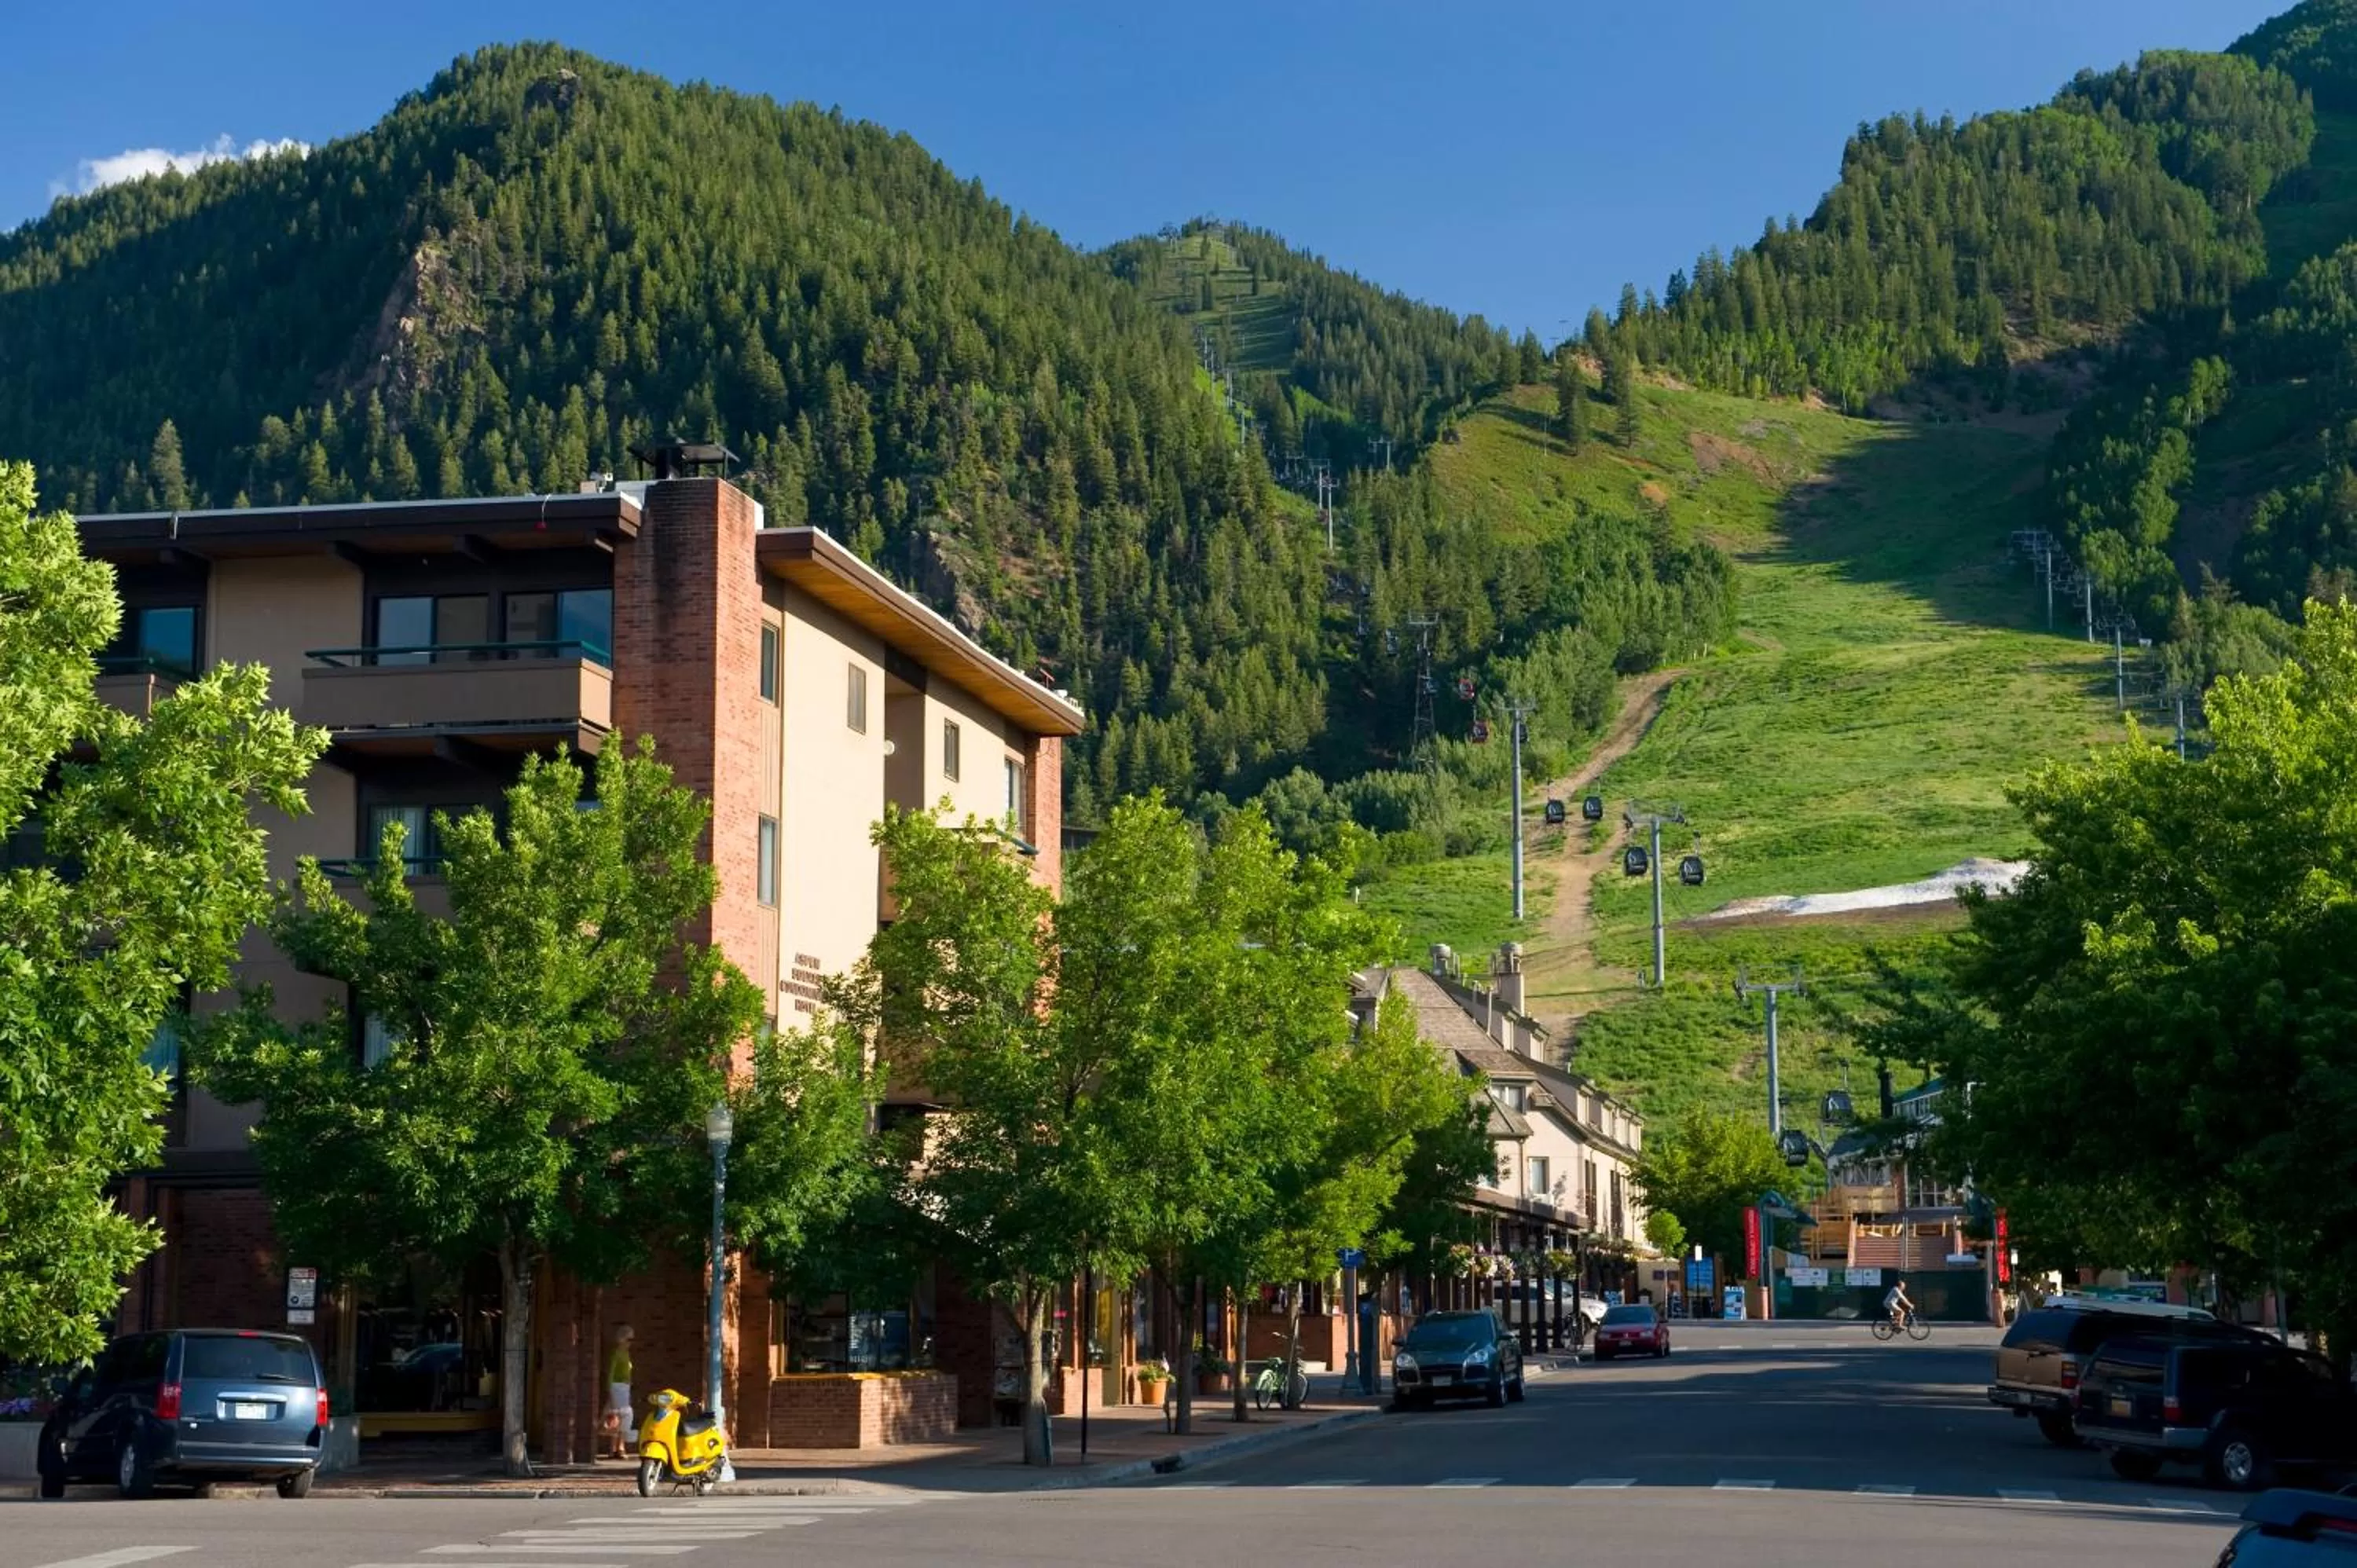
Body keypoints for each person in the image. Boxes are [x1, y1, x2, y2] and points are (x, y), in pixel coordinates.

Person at [604, 1324, 635, 1460]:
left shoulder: (626, 1353)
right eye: (629, 1339)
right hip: (616, 1387)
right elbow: (610, 1372)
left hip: (625, 1388)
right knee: (616, 1417)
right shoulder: (616, 1353)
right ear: (622, 1339)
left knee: (624, 1417)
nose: (631, 1343)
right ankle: (614, 1448)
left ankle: (619, 1447)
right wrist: (610, 1389)